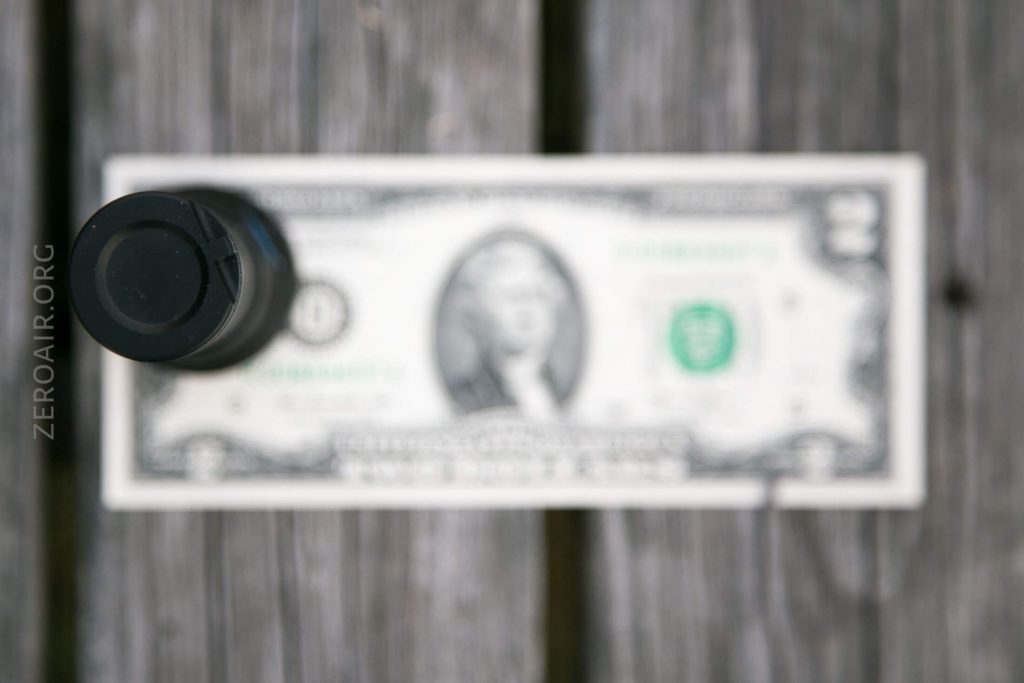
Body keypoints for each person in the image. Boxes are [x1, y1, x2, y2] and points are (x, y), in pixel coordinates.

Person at [448, 236, 570, 417]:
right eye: (511, 297)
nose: (526, 308)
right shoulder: (464, 400)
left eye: (538, 295)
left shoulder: (561, 391)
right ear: (482, 312)